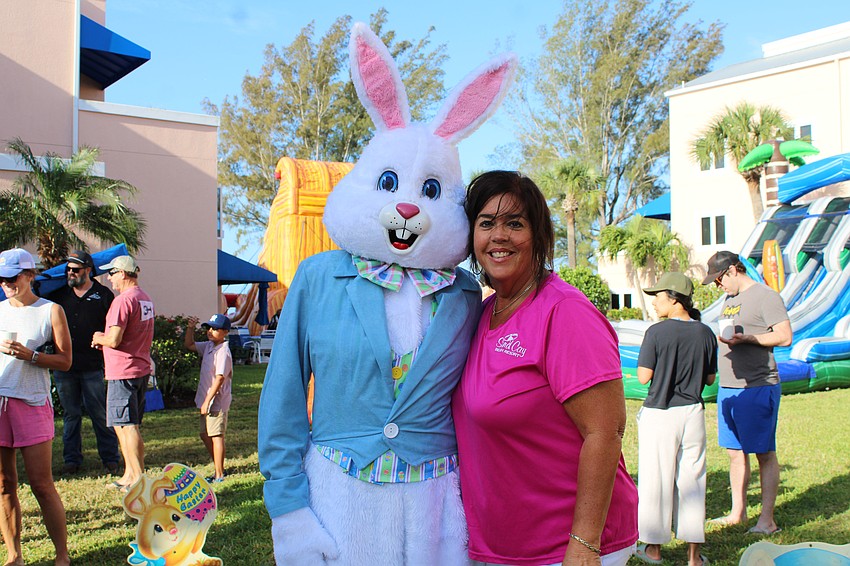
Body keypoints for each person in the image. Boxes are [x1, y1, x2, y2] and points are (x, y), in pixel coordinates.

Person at [452, 171, 638, 566]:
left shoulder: (564, 312)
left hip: (565, 547)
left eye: (514, 224)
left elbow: (606, 431)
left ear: (538, 236)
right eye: (486, 224)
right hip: (504, 545)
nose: (498, 236)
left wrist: (585, 545)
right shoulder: (482, 313)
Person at [702, 251, 792, 535]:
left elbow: (785, 335)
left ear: (732, 270)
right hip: (730, 388)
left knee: (763, 453)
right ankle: (737, 513)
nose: (719, 287)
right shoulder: (729, 300)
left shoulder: (766, 296)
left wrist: (750, 339)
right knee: (734, 452)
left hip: (757, 385)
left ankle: (767, 520)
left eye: (719, 280)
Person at [635, 272, 717, 566]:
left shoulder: (656, 333)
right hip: (693, 412)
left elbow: (643, 377)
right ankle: (694, 556)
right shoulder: (705, 332)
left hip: (660, 413)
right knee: (693, 481)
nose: (655, 303)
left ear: (674, 298)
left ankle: (654, 550)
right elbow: (709, 379)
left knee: (655, 480)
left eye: (658, 297)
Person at [0, 248, 72, 566]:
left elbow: (66, 360)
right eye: (2, 279)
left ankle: (62, 555)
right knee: (4, 485)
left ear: (29, 275)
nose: (7, 284)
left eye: (13, 277)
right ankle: (14, 556)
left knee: (41, 485)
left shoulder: (50, 311)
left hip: (31, 402)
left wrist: (29, 356)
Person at [47, 250, 120, 476]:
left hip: (92, 365)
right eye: (68, 269)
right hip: (64, 366)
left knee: (99, 412)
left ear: (88, 270)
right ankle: (72, 460)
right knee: (71, 415)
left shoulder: (104, 294)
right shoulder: (59, 295)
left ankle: (110, 458)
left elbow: (114, 326)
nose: (71, 273)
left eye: (75, 270)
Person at [91, 255, 155, 492]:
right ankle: (130, 473)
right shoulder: (145, 298)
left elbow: (114, 339)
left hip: (123, 370)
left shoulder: (122, 301)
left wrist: (99, 338)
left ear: (123, 273)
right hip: (139, 367)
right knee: (130, 424)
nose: (109, 278)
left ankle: (137, 479)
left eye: (112, 273)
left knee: (125, 425)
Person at [183, 314, 233, 483]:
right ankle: (219, 465)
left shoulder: (223, 351)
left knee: (216, 435)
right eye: (209, 328)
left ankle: (219, 475)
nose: (210, 332)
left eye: (215, 329)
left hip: (216, 402)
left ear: (225, 332)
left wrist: (207, 401)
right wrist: (190, 328)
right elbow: (189, 344)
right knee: (205, 434)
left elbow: (220, 378)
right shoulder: (209, 346)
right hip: (206, 400)